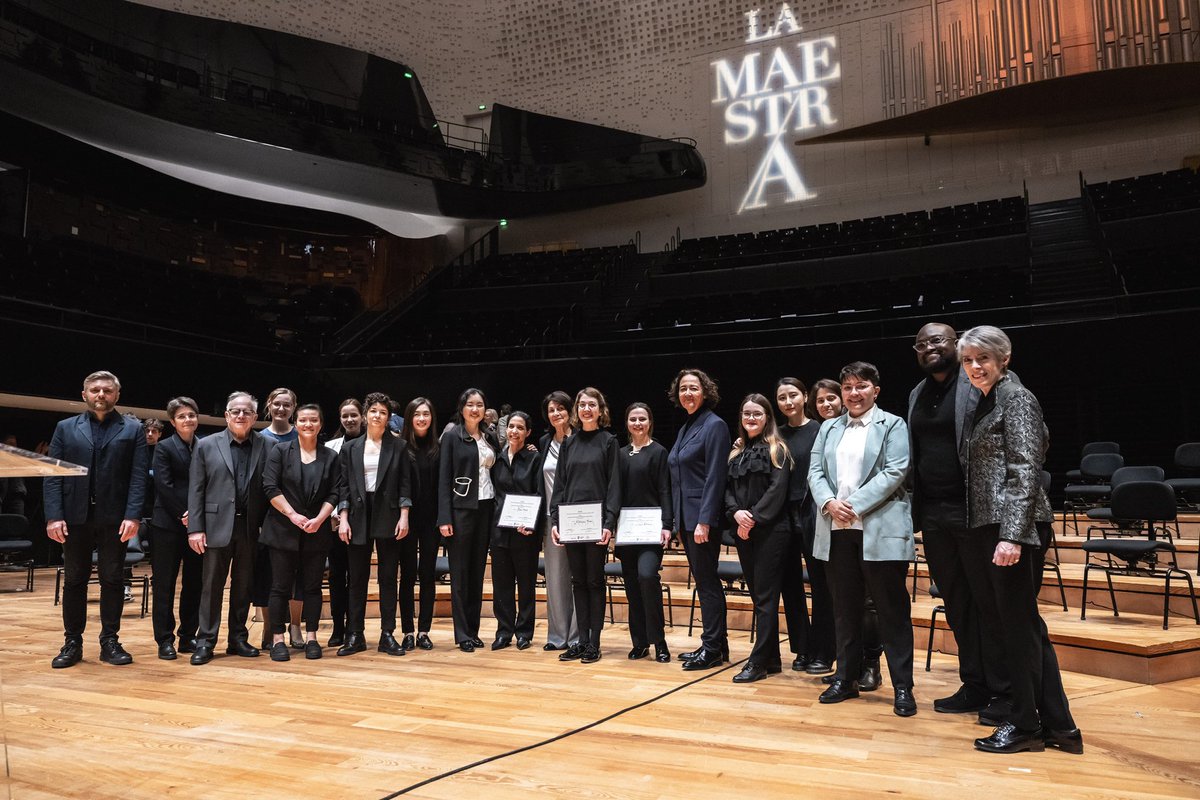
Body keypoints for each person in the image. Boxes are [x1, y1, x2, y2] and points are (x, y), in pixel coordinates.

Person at [958, 326, 1082, 755]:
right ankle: (1060, 727)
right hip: (993, 526)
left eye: (983, 359)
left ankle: (1026, 726)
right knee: (1023, 628)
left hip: (1013, 528)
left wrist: (1011, 535)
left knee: (1018, 629)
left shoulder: (1018, 399)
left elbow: (1026, 469)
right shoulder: (987, 399)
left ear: (1003, 358)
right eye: (968, 360)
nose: (975, 367)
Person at [908, 323, 1011, 724]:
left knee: (989, 603)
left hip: (975, 511)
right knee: (957, 604)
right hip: (934, 515)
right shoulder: (917, 393)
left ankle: (1005, 691)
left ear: (956, 343)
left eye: (938, 340)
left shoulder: (980, 381)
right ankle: (975, 683)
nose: (930, 347)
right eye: (922, 344)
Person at [808, 362, 917, 717]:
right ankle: (846, 678)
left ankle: (903, 686)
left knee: (891, 611)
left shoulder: (893, 424)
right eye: (848, 388)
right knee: (844, 610)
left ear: (876, 390)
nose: (853, 393)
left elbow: (896, 469)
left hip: (878, 527)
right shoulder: (829, 427)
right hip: (837, 530)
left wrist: (852, 505)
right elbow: (815, 470)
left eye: (861, 386)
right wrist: (828, 502)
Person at [45, 371, 148, 668]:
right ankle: (72, 642)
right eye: (95, 390)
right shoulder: (65, 428)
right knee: (75, 579)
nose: (100, 394)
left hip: (115, 518)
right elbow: (54, 474)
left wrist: (133, 514)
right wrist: (54, 516)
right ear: (84, 395)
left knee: (113, 579)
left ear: (117, 395)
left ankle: (110, 641)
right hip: (74, 517)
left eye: (106, 390)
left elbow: (138, 476)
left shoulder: (132, 429)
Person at [187, 391, 270, 665]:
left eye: (247, 412)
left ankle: (238, 638)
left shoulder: (267, 446)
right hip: (214, 527)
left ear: (255, 417)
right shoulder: (206, 445)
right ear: (226, 415)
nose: (241, 415)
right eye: (235, 411)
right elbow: (196, 490)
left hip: (250, 528)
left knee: (243, 586)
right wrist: (195, 529)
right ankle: (206, 641)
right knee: (212, 586)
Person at [260, 403, 342, 662]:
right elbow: (270, 487)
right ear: (296, 423)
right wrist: (293, 515)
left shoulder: (330, 456)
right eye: (304, 420)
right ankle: (277, 639)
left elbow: (335, 491)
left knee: (313, 588)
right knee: (279, 587)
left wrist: (319, 519)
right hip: (283, 529)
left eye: (314, 420)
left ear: (320, 424)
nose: (308, 424)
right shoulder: (280, 451)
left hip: (316, 530)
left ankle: (312, 637)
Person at [666, 368, 731, 671]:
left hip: (702, 520)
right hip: (687, 520)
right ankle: (718, 644)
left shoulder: (714, 425)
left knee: (706, 583)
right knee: (704, 581)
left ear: (705, 391)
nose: (687, 393)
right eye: (683, 389)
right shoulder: (687, 426)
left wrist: (704, 520)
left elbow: (716, 477)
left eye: (693, 388)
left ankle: (712, 647)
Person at [550, 387, 621, 664]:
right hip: (570, 523)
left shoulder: (608, 441)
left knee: (594, 580)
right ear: (577, 410)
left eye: (592, 404)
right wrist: (556, 520)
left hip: (596, 524)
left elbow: (614, 485)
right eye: (582, 405)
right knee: (577, 581)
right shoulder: (569, 443)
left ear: (600, 409)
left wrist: (609, 522)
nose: (586, 409)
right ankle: (581, 641)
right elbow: (560, 485)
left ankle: (594, 642)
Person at [337, 392, 411, 657]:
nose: (377, 415)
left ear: (388, 417)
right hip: (357, 514)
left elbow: (405, 483)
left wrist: (404, 515)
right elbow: (343, 486)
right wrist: (343, 518)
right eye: (373, 411)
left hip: (389, 515)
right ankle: (355, 634)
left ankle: (387, 634)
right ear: (366, 415)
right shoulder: (350, 447)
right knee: (356, 578)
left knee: (388, 578)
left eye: (382, 412)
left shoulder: (399, 446)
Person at [726, 393, 792, 683]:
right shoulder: (736, 451)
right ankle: (772, 658)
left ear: (767, 418)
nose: (751, 418)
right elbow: (727, 490)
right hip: (744, 530)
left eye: (757, 414)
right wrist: (736, 514)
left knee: (766, 598)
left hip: (771, 532)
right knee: (757, 596)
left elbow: (777, 491)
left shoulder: (778, 449)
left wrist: (752, 517)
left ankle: (758, 662)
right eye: (746, 414)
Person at [774, 377, 833, 673]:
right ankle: (802, 648)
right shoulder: (776, 434)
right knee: (790, 586)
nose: (788, 402)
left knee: (822, 585)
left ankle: (823, 650)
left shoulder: (821, 429)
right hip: (783, 516)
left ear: (804, 396)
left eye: (793, 395)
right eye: (782, 397)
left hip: (814, 514)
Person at [437, 388, 498, 652]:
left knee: (476, 573)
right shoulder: (452, 437)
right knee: (460, 574)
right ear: (462, 408)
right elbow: (443, 478)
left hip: (486, 508)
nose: (475, 409)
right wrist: (444, 517)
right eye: (470, 404)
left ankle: (473, 630)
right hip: (461, 511)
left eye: (480, 405)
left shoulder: (489, 436)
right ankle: (462, 633)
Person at [614, 402, 672, 663]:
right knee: (631, 586)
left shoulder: (659, 452)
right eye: (632, 419)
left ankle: (659, 641)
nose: (637, 423)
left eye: (642, 419)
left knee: (647, 577)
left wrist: (667, 524)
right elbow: (614, 492)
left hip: (650, 530)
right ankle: (639, 643)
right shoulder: (620, 453)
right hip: (626, 531)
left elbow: (664, 490)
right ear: (627, 423)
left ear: (650, 422)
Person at [149, 397, 203, 660]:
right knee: (165, 584)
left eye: (191, 415)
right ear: (172, 421)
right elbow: (164, 485)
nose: (188, 420)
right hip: (168, 525)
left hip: (197, 526)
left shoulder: (203, 446)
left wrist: (196, 516)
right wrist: (186, 513)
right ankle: (164, 639)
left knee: (194, 583)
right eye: (182, 416)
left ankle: (187, 636)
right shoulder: (164, 447)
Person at [489, 411, 540, 651]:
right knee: (502, 585)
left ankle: (524, 632)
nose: (514, 431)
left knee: (526, 584)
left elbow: (538, 494)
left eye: (520, 427)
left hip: (524, 532)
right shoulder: (498, 459)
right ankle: (504, 631)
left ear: (528, 432)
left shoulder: (533, 459)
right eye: (511, 426)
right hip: (500, 531)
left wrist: (532, 523)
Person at [534, 391, 580, 651]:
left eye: (561, 408)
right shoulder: (543, 443)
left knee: (578, 576)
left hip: (579, 516)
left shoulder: (581, 438)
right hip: (552, 519)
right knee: (555, 578)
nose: (556, 414)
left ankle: (576, 636)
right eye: (551, 410)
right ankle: (557, 635)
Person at [258, 387, 298, 648]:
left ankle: (295, 628)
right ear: (269, 405)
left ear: (293, 408)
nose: (281, 409)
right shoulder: (259, 437)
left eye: (287, 405)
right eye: (277, 404)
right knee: (267, 576)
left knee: (297, 576)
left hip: (299, 517)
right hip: (267, 517)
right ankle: (269, 628)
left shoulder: (302, 434)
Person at [400, 397, 440, 651]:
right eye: (417, 414)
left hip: (431, 520)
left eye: (426, 413)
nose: (422, 418)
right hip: (405, 519)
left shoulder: (440, 446)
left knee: (427, 575)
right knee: (406, 575)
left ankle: (424, 630)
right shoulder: (400, 446)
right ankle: (406, 631)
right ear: (410, 417)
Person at [323, 399, 363, 647]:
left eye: (354, 415)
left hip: (360, 520)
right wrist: (334, 512)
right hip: (334, 522)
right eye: (345, 416)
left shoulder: (371, 443)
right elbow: (331, 485)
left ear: (362, 417)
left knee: (357, 576)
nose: (349, 420)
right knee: (337, 576)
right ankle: (338, 627)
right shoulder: (330, 446)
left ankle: (354, 628)